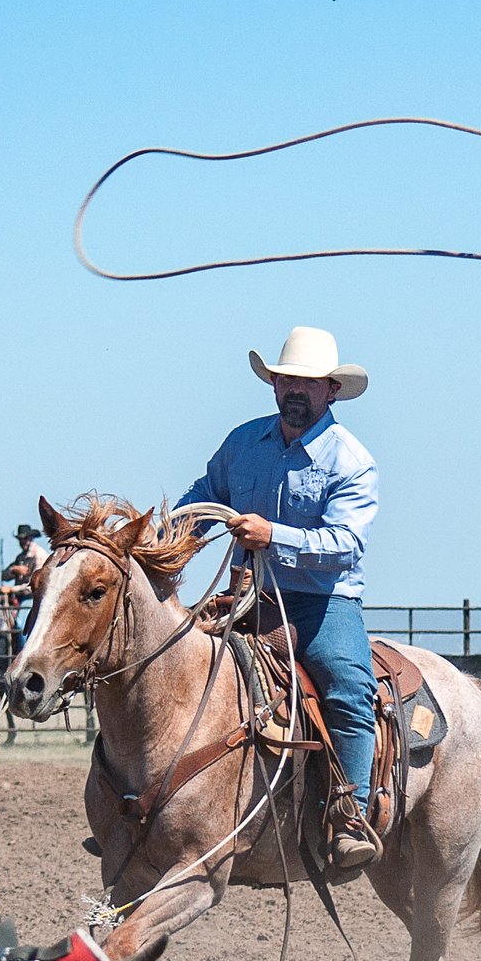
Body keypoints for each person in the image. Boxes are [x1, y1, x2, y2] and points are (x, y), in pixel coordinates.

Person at [181, 326, 382, 869]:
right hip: (248, 595)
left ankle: (350, 815)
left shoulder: (350, 460)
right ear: (273, 383)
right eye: (287, 378)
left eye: (309, 382)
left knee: (346, 688)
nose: (296, 389)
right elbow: (206, 494)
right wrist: (173, 539)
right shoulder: (243, 442)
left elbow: (346, 545)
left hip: (321, 603)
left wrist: (275, 536)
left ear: (331, 391)